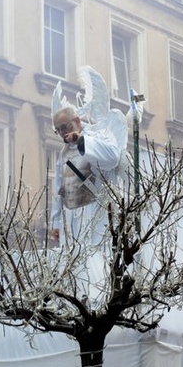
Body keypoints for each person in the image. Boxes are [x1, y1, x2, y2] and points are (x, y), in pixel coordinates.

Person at [49, 67, 126, 245]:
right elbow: (59, 188)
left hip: (96, 213)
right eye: (58, 130)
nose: (61, 133)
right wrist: (56, 222)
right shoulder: (64, 153)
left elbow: (112, 157)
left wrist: (82, 141)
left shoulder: (98, 135)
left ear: (76, 121)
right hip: (71, 216)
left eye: (64, 127)